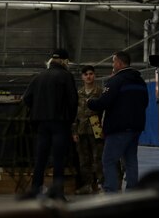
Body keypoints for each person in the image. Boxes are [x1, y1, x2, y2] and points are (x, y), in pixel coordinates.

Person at [21, 48, 78, 200]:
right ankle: (58, 194)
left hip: (41, 125)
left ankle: (35, 191)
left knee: (40, 159)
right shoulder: (66, 76)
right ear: (65, 61)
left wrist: (38, 109)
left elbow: (26, 98)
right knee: (59, 160)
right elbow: (73, 101)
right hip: (60, 124)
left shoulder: (39, 77)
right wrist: (71, 120)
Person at [87, 51, 148, 193]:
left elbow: (103, 102)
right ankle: (132, 191)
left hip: (119, 128)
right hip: (136, 127)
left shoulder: (116, 80)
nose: (113, 65)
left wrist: (90, 102)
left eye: (114, 62)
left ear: (119, 63)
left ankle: (111, 191)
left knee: (109, 160)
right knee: (131, 159)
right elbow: (145, 102)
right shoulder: (140, 81)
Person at [72, 65, 104, 195]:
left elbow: (104, 112)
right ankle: (87, 185)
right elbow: (74, 114)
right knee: (84, 159)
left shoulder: (100, 92)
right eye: (86, 74)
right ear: (82, 77)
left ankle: (101, 184)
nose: (88, 76)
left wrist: (103, 129)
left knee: (98, 157)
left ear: (94, 75)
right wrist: (74, 132)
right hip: (81, 128)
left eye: (91, 74)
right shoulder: (78, 94)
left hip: (96, 125)